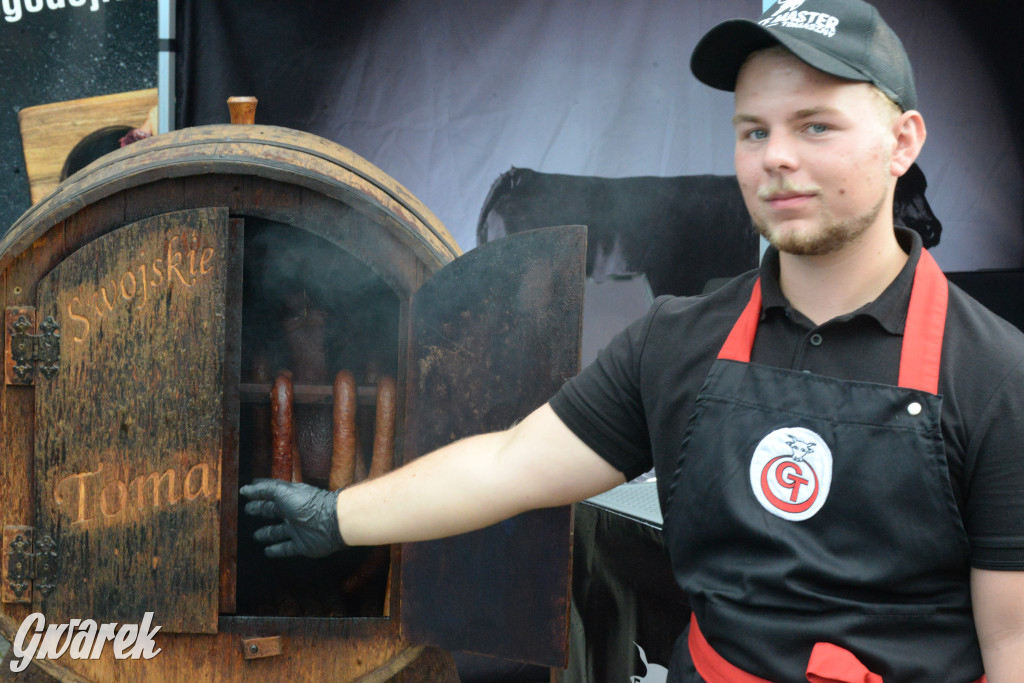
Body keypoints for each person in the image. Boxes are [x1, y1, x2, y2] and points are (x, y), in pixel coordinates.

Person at [240, 0, 1024, 680]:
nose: (776, 157)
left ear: (903, 142)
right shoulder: (679, 340)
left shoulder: (994, 374)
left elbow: (1014, 642)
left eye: (816, 125)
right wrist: (336, 513)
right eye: (754, 131)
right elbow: (510, 463)